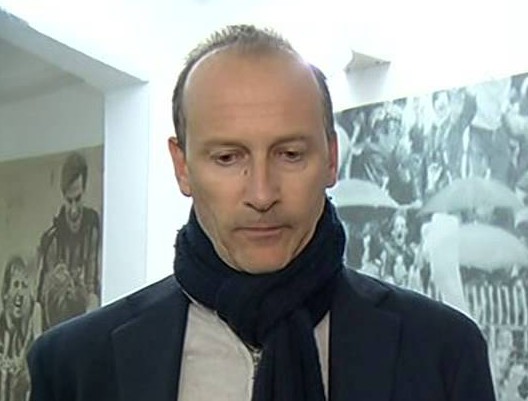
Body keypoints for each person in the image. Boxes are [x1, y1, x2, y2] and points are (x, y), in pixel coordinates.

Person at [27, 24, 496, 401]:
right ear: (182, 167)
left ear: (331, 159)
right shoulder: (75, 366)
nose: (262, 193)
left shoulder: (442, 351)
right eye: (227, 157)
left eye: (290, 154)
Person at [36, 152, 101, 331]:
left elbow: (92, 290)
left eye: (78, 199)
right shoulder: (52, 239)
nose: (73, 210)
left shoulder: (93, 227)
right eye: (69, 200)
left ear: (84, 191)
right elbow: (41, 302)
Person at [0, 256, 35, 401]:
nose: (20, 293)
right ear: (6, 293)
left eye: (24, 286)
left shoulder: (32, 332)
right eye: (15, 285)